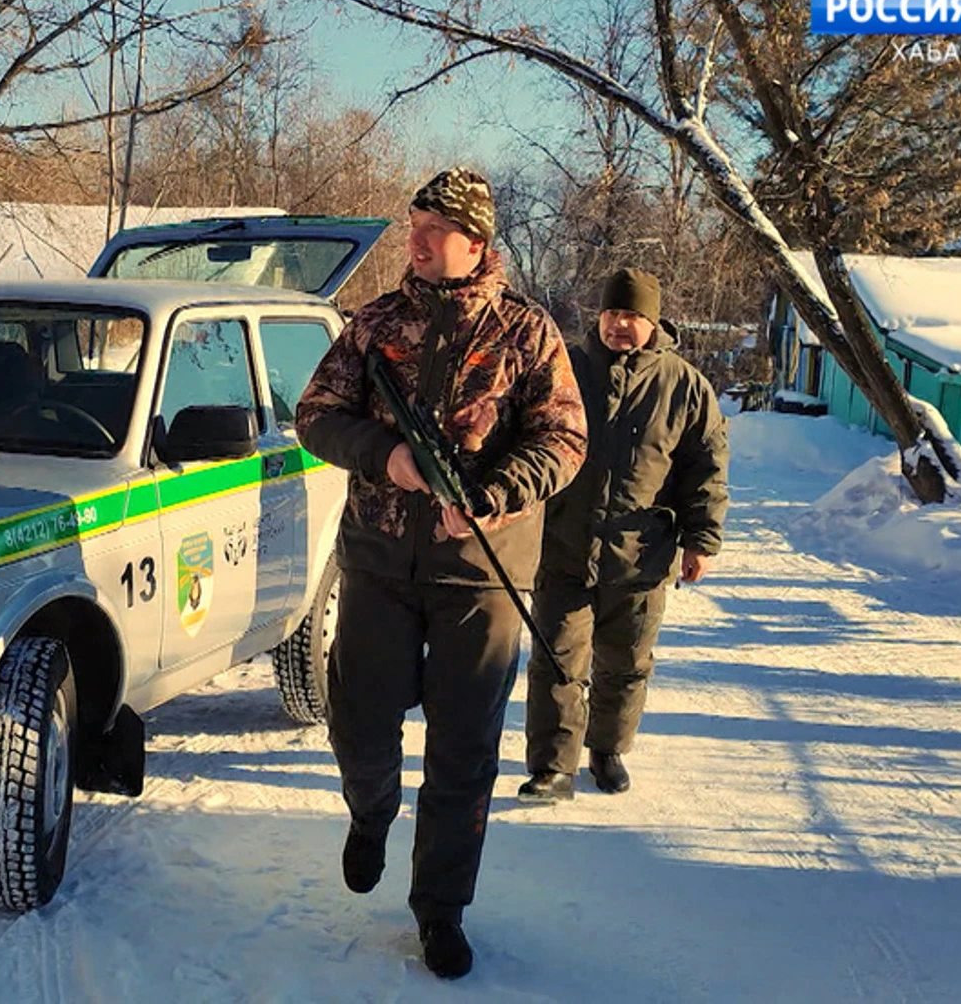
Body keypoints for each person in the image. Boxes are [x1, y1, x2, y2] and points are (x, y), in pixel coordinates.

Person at [294, 168, 588, 980]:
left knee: (464, 752)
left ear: (477, 244)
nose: (416, 242)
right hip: (381, 562)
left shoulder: (528, 334)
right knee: (357, 720)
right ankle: (371, 812)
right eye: (412, 225)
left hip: (479, 576)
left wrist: (497, 493)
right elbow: (315, 416)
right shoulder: (374, 323)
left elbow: (564, 440)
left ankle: (440, 910)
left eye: (434, 230)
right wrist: (388, 457)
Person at [520, 267, 729, 802]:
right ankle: (552, 765)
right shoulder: (563, 368)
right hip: (565, 542)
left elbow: (705, 468)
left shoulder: (685, 386)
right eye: (612, 314)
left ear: (652, 322)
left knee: (626, 661)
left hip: (640, 554)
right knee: (557, 658)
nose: (619, 325)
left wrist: (700, 540)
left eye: (632, 316)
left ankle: (607, 749)